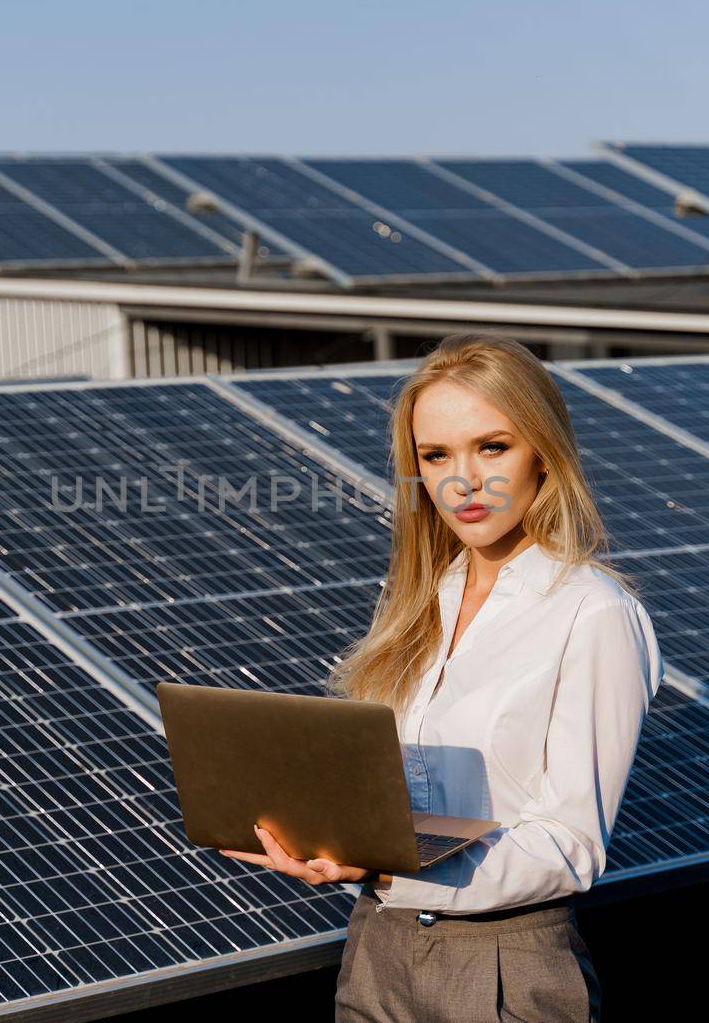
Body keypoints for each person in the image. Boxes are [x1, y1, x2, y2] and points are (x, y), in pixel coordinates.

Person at [217, 332, 664, 1021]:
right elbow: (398, 798)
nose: (463, 480)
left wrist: (392, 869)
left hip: (504, 964)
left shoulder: (594, 612)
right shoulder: (422, 598)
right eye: (436, 455)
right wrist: (331, 836)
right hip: (376, 948)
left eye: (492, 446)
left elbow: (571, 844)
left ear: (542, 449)